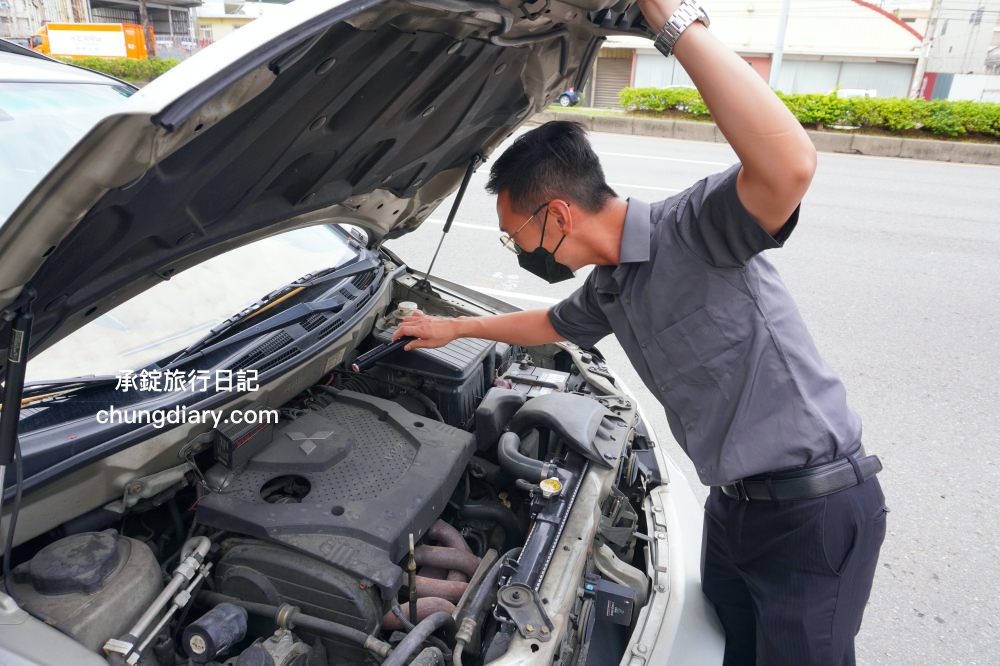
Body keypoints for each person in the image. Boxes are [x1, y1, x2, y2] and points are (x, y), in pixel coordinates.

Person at [393, 0, 887, 663]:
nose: (518, 251)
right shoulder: (610, 286)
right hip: (734, 511)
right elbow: (547, 323)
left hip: (811, 515)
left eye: (518, 237)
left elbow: (790, 165)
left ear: (559, 216)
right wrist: (451, 326)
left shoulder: (700, 227)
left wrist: (675, 24)